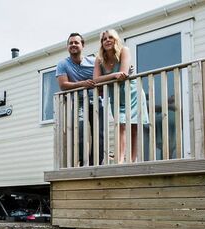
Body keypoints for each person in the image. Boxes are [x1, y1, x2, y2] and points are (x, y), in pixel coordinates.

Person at [93, 29, 148, 164]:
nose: (107, 40)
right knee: (120, 125)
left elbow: (123, 73)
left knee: (134, 127)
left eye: (110, 37)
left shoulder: (124, 51)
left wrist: (107, 78)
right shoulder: (99, 59)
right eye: (104, 39)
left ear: (116, 40)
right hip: (116, 96)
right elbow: (95, 80)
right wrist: (113, 76)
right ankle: (120, 160)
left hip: (133, 93)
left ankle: (132, 160)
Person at [56, 32, 104, 166]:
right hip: (78, 103)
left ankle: (97, 163)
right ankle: (83, 162)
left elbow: (104, 75)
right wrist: (83, 84)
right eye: (70, 43)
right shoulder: (62, 64)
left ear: (82, 45)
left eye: (76, 42)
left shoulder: (94, 61)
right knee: (80, 132)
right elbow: (63, 85)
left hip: (96, 101)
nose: (73, 45)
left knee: (99, 132)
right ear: (67, 47)